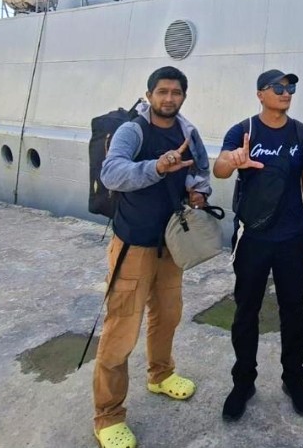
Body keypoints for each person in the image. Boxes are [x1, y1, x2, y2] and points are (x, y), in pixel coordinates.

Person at [93, 66, 212, 448]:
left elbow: (201, 172)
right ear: (149, 95)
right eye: (162, 92)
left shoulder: (188, 132)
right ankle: (108, 415)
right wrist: (157, 167)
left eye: (176, 92)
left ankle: (160, 375)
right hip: (134, 244)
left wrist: (198, 192)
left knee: (168, 315)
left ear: (183, 96)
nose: (169, 98)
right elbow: (112, 173)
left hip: (171, 244)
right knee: (121, 328)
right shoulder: (133, 130)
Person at [213, 69, 303, 422]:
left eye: (290, 87)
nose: (286, 92)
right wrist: (233, 160)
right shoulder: (243, 130)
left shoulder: (302, 134)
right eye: (278, 87)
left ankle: (294, 379)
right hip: (252, 238)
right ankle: (243, 382)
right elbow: (219, 169)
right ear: (260, 94)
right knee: (246, 310)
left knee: (293, 310)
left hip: (291, 237)